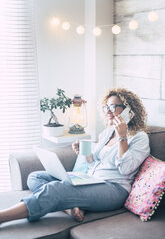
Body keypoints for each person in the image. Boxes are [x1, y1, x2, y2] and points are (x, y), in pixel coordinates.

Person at [0, 88, 150, 224]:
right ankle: (70, 207)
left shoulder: (139, 137)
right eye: (106, 107)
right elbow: (93, 163)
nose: (108, 111)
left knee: (56, 188)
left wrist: (122, 136)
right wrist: (84, 153)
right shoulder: (107, 132)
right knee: (35, 177)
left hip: (114, 189)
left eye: (113, 107)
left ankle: (3, 217)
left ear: (128, 110)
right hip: (92, 180)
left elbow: (125, 169)